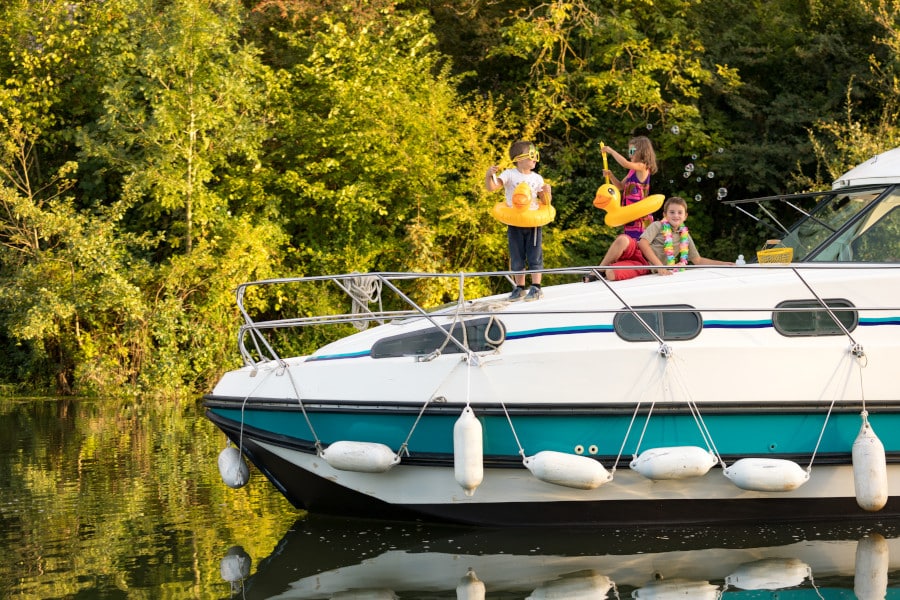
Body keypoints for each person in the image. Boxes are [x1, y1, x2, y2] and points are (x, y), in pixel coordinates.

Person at [595, 196, 733, 281]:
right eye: (672, 212)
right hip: (637, 252)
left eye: (680, 213)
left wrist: (722, 264)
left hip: (645, 266)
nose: (676, 215)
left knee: (612, 274)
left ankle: (610, 268)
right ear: (665, 214)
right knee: (622, 239)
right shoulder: (658, 225)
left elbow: (697, 260)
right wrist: (659, 266)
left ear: (685, 216)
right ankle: (596, 271)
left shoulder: (685, 236)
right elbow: (642, 244)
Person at [485, 140, 552, 301]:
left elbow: (545, 201)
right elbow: (492, 187)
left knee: (535, 255)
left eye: (536, 156)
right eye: (532, 156)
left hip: (532, 223)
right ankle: (519, 287)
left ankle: (536, 287)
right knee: (517, 256)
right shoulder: (509, 174)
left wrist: (547, 192)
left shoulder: (537, 178)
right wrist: (489, 176)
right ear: (518, 158)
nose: (535, 159)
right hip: (515, 223)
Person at [603, 136, 658, 240]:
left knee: (640, 243)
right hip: (630, 215)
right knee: (631, 243)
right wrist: (610, 176)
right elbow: (620, 186)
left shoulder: (643, 167)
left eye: (632, 151)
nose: (630, 154)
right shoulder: (632, 171)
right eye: (629, 151)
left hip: (641, 217)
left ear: (642, 151)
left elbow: (625, 164)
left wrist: (611, 151)